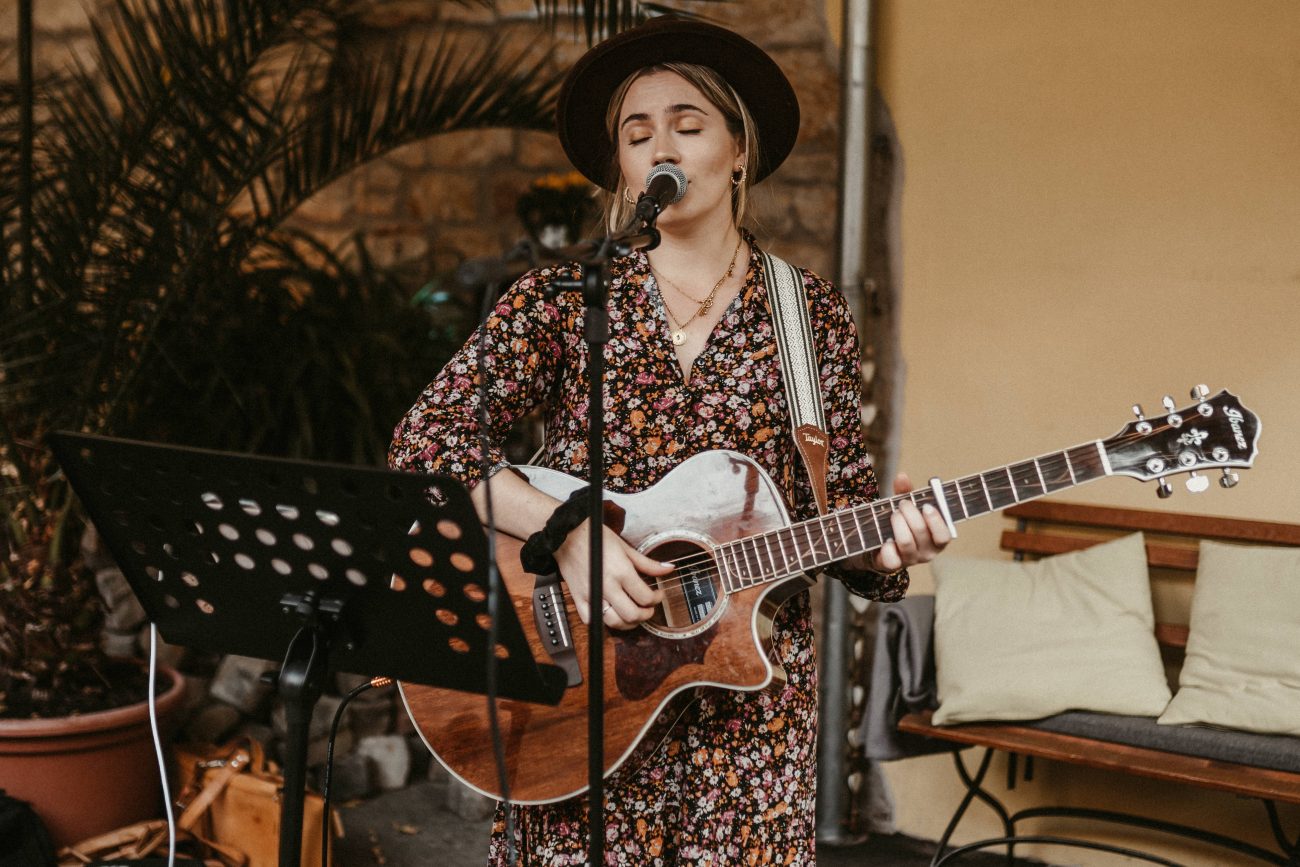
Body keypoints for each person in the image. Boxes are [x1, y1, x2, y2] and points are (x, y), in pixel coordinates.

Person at [388, 15, 950, 865]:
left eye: (688, 125)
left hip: (748, 716)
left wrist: (890, 542)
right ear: (622, 165)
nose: (662, 147)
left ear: (738, 151)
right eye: (637, 132)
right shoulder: (565, 297)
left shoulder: (810, 316)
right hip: (578, 692)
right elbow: (428, 441)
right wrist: (565, 531)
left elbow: (836, 514)